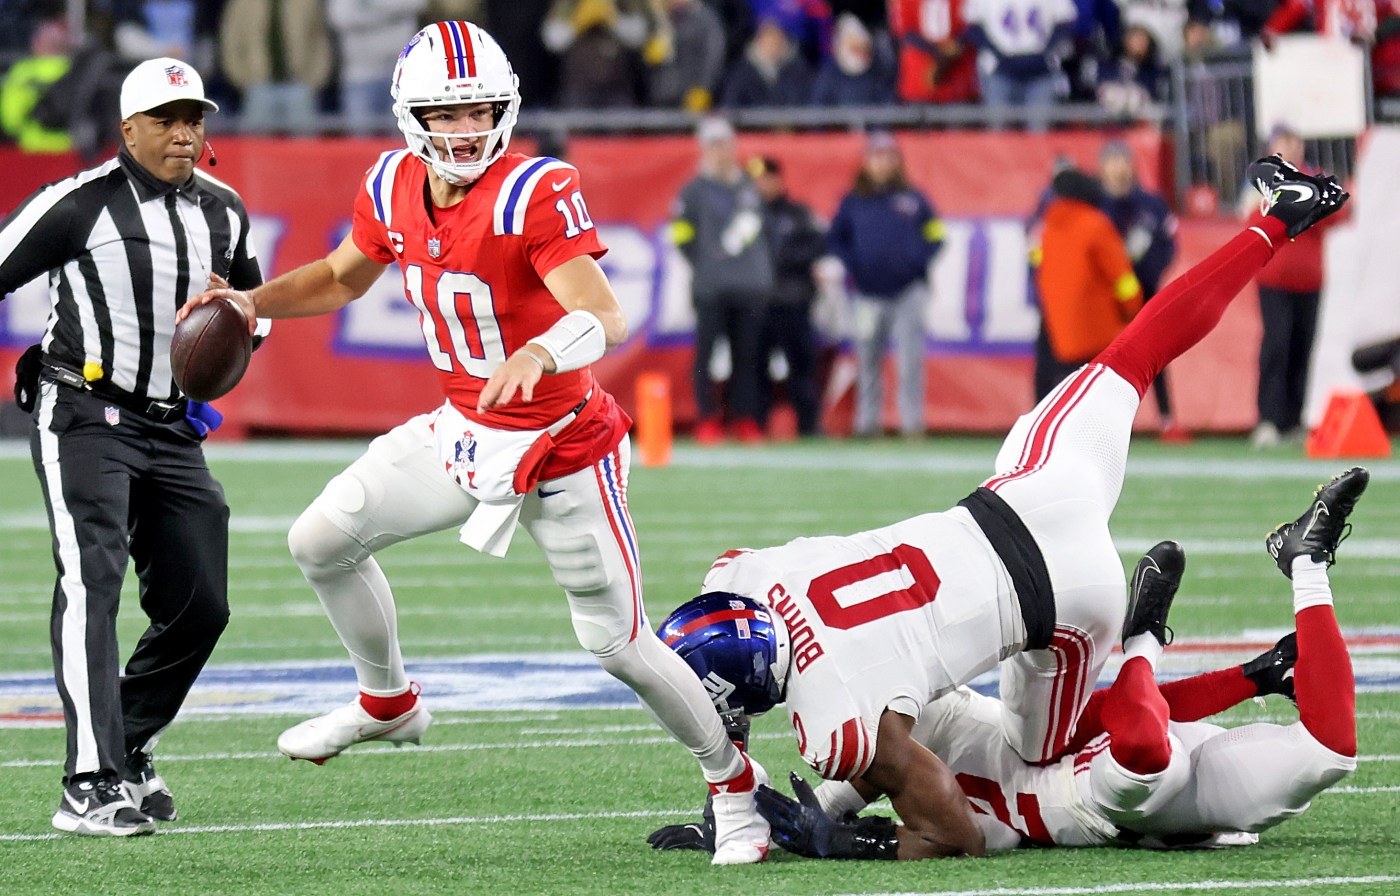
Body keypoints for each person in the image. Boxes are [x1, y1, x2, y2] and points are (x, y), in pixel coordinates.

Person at [182, 22, 771, 866]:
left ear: (505, 109)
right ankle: (387, 702)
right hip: (463, 431)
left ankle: (733, 782)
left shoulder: (533, 190)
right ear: (411, 116)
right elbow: (343, 275)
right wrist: (251, 302)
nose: (465, 129)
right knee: (319, 539)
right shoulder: (391, 182)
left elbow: (604, 316)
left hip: (563, 445)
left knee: (619, 645)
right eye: (446, 113)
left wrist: (540, 352)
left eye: (480, 110)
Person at [648, 155, 1349, 858]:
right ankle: (1280, 219)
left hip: (1069, 605)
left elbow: (953, 833)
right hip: (1028, 489)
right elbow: (728, 630)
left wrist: (818, 832)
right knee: (1135, 354)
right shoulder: (744, 573)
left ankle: (1153, 641)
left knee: (1044, 756)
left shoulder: (835, 722)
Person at [753, 467, 1365, 856]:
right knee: (1325, 754)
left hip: (1050, 741)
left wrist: (833, 822)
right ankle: (1298, 572)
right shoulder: (974, 818)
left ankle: (1180, 629)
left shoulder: (929, 725)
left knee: (1131, 743)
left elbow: (889, 766)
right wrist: (836, 833)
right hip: (1086, 795)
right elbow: (950, 831)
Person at [0, 57, 262, 835]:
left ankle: (131, 741)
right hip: (83, 410)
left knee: (201, 602)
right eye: (165, 120)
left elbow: (254, 312)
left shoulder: (225, 210)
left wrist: (233, 329)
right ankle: (88, 781)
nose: (184, 134)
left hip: (171, 424)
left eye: (194, 120)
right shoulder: (77, 203)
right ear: (128, 129)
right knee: (93, 580)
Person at [827, 131, 944, 438]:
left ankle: (911, 424)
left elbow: (936, 235)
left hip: (908, 292)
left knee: (910, 361)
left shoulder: (914, 199)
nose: (882, 163)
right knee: (867, 360)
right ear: (866, 162)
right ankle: (867, 424)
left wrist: (915, 261)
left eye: (888, 156)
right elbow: (835, 239)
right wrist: (856, 264)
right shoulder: (853, 202)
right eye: (876, 156)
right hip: (866, 293)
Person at [671, 115, 774, 444]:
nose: (721, 152)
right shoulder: (693, 192)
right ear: (704, 149)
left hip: (751, 286)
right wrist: (705, 265)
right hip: (711, 288)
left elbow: (767, 234)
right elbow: (681, 236)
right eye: (714, 145)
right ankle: (708, 417)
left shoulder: (749, 188)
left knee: (748, 356)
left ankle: (745, 418)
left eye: (725, 144)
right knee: (706, 355)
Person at [1241, 125, 1344, 449]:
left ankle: (1292, 420)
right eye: (1283, 141)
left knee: (1302, 348)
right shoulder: (1262, 181)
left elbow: (1336, 213)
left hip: (1310, 281)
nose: (1290, 146)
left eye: (1294, 141)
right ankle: (1268, 419)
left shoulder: (1314, 178)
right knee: (1277, 346)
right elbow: (1255, 221)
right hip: (1275, 279)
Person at [1033, 166, 1142, 401]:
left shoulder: (1048, 229)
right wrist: (1133, 311)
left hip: (1060, 336)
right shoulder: (1096, 225)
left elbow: (1041, 272)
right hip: (1098, 335)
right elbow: (1123, 279)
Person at [1099, 140, 1184, 440]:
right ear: (1102, 167)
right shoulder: (1095, 204)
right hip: (1105, 297)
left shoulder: (1151, 204)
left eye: (1123, 161)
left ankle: (1167, 419)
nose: (1119, 169)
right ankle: (1102, 423)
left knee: (1153, 356)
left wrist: (1150, 271)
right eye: (1113, 162)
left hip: (1144, 290)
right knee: (1102, 360)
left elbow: (1169, 243)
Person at [749, 155, 825, 437]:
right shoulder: (746, 217)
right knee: (755, 368)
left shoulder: (798, 214)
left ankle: (809, 426)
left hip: (793, 300)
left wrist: (782, 259)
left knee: (801, 367)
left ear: (778, 180)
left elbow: (816, 246)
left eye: (766, 178)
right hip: (757, 303)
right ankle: (755, 426)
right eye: (756, 180)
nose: (761, 185)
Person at [218, 0, 332, 136]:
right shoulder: (243, 3)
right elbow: (231, 41)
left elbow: (320, 40)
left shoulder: (306, 2)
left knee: (304, 143)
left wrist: (315, 79)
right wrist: (242, 78)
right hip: (257, 86)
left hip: (300, 86)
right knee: (255, 143)